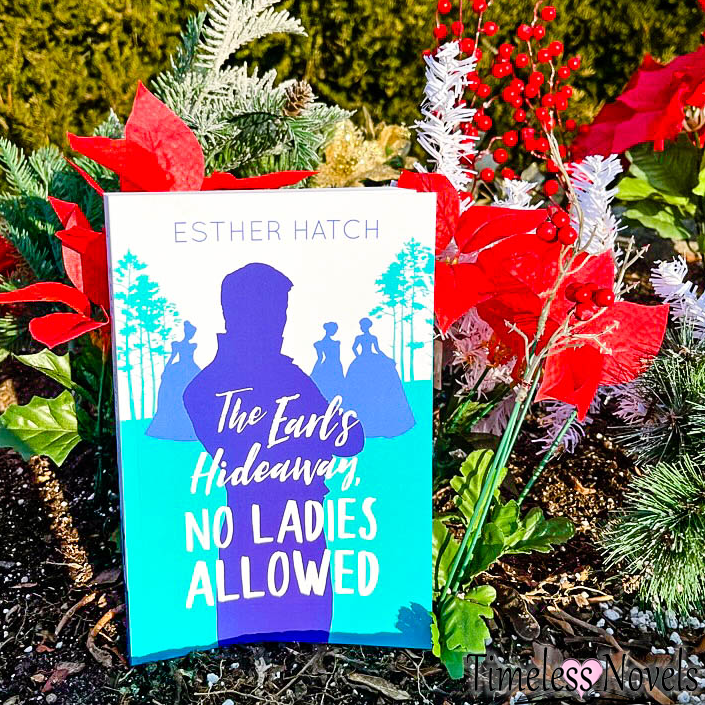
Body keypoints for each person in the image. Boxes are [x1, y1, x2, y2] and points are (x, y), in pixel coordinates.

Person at [183, 263, 364, 644]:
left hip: (301, 525)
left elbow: (350, 439)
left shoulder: (285, 377)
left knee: (311, 634)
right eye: (268, 314)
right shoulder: (209, 389)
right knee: (245, 640)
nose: (278, 326)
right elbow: (340, 437)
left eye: (280, 314)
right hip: (253, 528)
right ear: (237, 315)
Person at [344, 317, 415, 438]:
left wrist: (386, 359)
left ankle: (377, 423)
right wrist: (359, 357)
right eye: (363, 326)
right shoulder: (361, 338)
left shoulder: (371, 338)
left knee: (376, 388)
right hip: (364, 360)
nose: (363, 328)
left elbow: (376, 349)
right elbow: (355, 348)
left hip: (367, 360)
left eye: (364, 326)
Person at [146, 321, 200, 441]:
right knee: (173, 396)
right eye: (189, 332)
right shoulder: (177, 344)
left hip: (190, 370)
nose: (190, 334)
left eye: (192, 333)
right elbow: (172, 357)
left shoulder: (194, 345)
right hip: (179, 371)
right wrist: (166, 371)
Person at [311, 322, 344, 401]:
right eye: (334, 330)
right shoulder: (321, 344)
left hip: (336, 366)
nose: (335, 331)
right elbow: (320, 358)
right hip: (331, 366)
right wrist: (314, 371)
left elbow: (320, 359)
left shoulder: (336, 343)